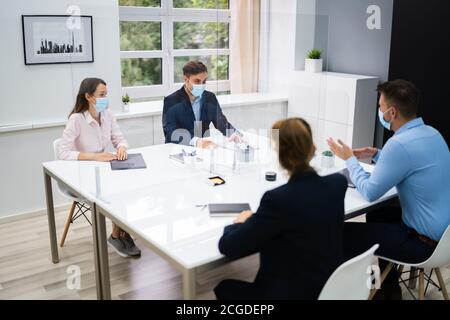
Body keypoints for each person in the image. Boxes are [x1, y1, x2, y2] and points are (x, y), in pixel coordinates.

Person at [327, 79, 450, 299]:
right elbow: (412, 164)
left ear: (392, 113)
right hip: (445, 240)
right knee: (378, 212)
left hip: (421, 244)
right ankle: (387, 288)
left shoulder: (399, 144)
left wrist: (349, 160)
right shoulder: (433, 134)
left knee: (340, 233)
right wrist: (376, 154)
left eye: (380, 107)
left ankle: (357, 291)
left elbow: (370, 191)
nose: (379, 111)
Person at [214, 118, 348, 300]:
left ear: (280, 155)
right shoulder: (337, 184)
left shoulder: (277, 200)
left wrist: (239, 222)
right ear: (312, 147)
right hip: (329, 289)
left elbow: (228, 246)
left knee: (224, 288)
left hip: (287, 294)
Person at [58, 77, 141, 258]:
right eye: (101, 95)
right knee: (117, 190)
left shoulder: (107, 114)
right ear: (88, 96)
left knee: (128, 184)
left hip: (101, 170)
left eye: (106, 94)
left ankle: (119, 234)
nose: (105, 99)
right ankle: (119, 234)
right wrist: (96, 157)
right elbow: (62, 153)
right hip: (80, 175)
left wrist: (121, 148)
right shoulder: (77, 119)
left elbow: (119, 138)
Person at [162, 61, 241, 148]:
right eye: (197, 81)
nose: (201, 85)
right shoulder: (171, 101)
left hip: (203, 151)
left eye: (204, 81)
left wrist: (234, 134)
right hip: (179, 150)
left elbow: (221, 122)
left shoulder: (210, 97)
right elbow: (170, 132)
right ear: (186, 79)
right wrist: (196, 141)